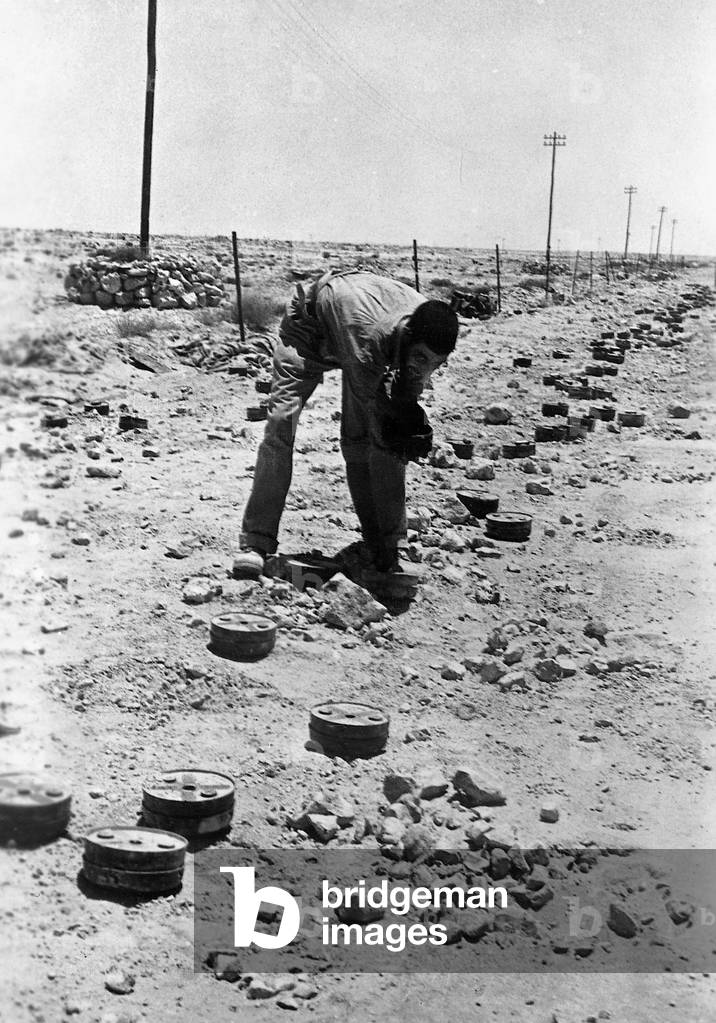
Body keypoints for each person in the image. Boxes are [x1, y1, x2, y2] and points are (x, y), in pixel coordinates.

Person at [233, 268, 458, 586]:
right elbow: (375, 419)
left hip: (367, 343)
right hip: (308, 334)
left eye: (435, 364)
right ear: (408, 337)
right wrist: (397, 422)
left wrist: (412, 420)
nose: (426, 371)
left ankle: (386, 543)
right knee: (282, 427)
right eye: (421, 360)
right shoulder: (367, 335)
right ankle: (257, 542)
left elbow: (406, 393)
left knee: (381, 438)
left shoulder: (426, 327)